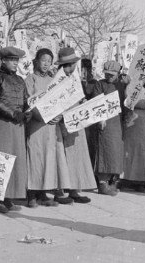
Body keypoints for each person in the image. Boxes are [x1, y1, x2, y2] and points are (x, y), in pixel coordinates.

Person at [0, 46, 29, 213]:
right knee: (0, 158)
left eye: (16, 60)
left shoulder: (20, 80)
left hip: (18, 124)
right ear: (3, 61)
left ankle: (9, 196)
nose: (14, 63)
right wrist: (13, 113)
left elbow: (26, 100)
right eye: (11, 60)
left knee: (15, 160)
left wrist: (27, 113)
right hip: (1, 123)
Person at [54, 48, 97, 203]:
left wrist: (83, 102)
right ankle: (60, 191)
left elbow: (78, 97)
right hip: (63, 120)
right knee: (62, 156)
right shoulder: (57, 80)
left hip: (76, 120)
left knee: (76, 155)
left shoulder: (74, 78)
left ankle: (74, 189)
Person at [24, 49, 62, 206]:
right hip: (36, 124)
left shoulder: (54, 80)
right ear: (36, 61)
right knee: (35, 157)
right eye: (43, 60)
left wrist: (59, 115)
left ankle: (43, 193)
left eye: (49, 61)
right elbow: (28, 101)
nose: (46, 64)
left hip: (51, 126)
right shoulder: (30, 79)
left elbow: (60, 99)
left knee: (48, 158)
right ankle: (31, 194)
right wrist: (43, 116)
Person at [92, 60, 127, 195]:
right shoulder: (100, 84)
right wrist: (100, 119)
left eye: (112, 74)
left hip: (118, 121)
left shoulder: (121, 84)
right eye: (107, 74)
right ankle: (102, 183)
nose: (109, 77)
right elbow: (96, 102)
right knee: (105, 150)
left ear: (118, 73)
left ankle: (112, 181)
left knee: (116, 152)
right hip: (105, 121)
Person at [120, 72, 145, 192]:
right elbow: (128, 101)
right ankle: (128, 180)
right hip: (133, 125)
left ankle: (143, 181)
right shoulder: (132, 87)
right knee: (131, 152)